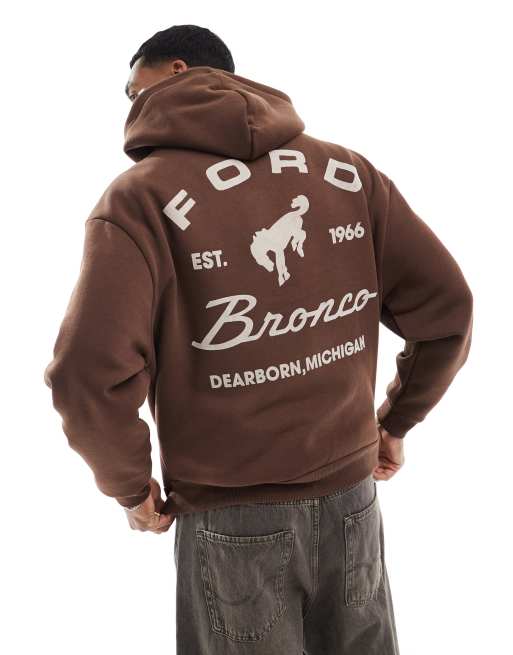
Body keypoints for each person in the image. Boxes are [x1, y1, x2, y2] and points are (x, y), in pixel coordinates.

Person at [44, 24, 473, 655]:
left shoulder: (138, 200)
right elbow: (449, 309)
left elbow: (85, 375)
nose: (130, 104)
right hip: (353, 502)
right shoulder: (347, 172)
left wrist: (131, 489)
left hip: (230, 519)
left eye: (133, 88)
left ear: (176, 70)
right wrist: (395, 423)